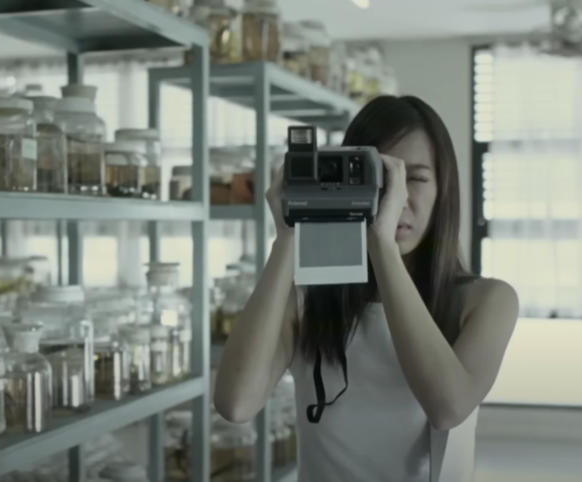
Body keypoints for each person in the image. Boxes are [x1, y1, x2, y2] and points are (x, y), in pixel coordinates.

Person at [213, 95, 519, 482]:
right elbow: (235, 404)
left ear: (445, 190)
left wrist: (381, 245)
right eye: (382, 178)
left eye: (416, 178)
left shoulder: (487, 300)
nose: (398, 197)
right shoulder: (309, 298)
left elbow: (447, 408)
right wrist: (288, 238)